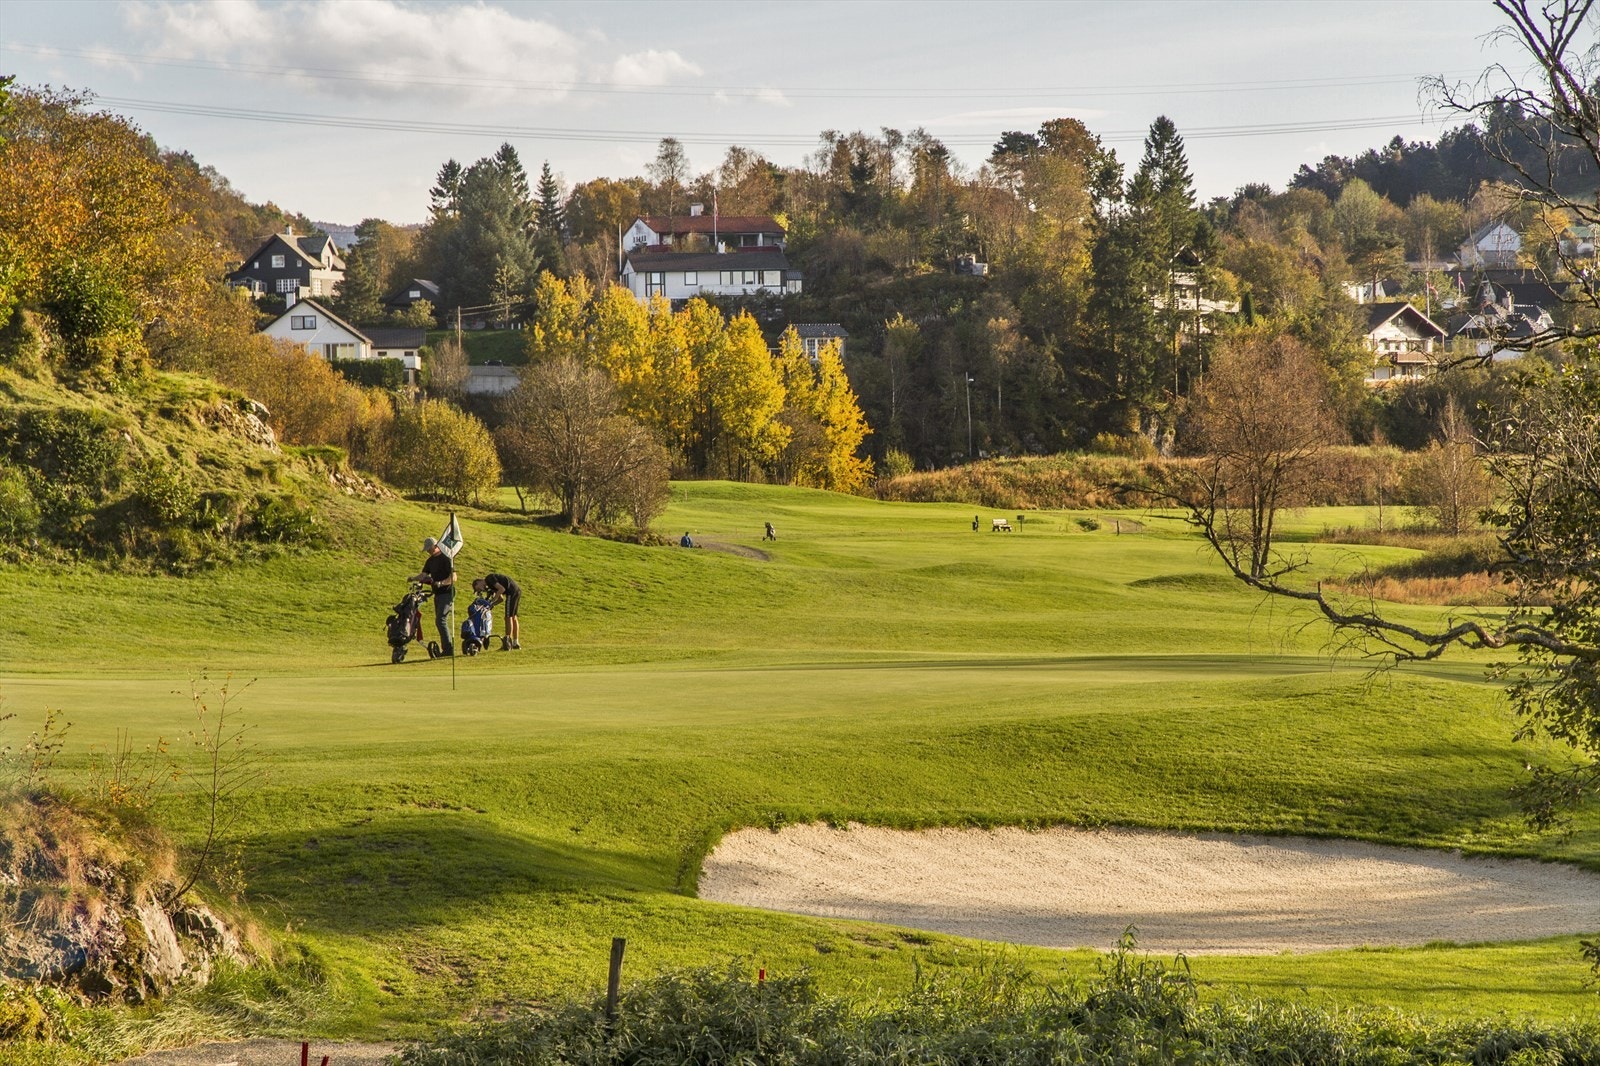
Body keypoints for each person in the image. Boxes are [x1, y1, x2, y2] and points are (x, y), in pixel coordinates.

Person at [411, 537, 454, 657]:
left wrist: (441, 583)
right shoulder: (430, 561)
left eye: (430, 549)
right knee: (439, 621)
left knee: (441, 620)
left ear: (435, 546)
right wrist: (413, 578)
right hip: (437, 594)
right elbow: (424, 575)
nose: (429, 551)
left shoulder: (446, 558)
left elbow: (453, 578)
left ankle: (448, 649)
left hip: (447, 593)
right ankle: (447, 648)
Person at [476, 572, 522, 650]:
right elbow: (501, 599)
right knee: (513, 617)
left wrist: (492, 600)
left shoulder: (489, 579)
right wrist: (492, 604)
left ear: (478, 582)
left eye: (478, 588)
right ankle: (515, 642)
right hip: (516, 590)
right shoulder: (491, 586)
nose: (481, 590)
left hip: (511, 592)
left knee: (508, 617)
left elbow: (502, 589)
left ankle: (508, 643)